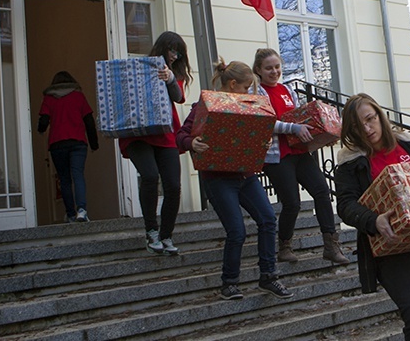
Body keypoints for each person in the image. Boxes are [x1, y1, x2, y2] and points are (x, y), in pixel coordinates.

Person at [334, 93, 410, 341]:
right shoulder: (350, 162)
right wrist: (373, 220)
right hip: (389, 249)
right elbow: (346, 205)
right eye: (358, 126)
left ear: (380, 115)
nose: (367, 129)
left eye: (370, 119)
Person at [176, 58, 293, 300]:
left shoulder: (250, 107)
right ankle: (229, 283)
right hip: (218, 178)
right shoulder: (206, 103)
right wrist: (192, 143)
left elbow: (256, 134)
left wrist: (264, 140)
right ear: (232, 84)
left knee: (268, 219)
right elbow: (181, 134)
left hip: (245, 175)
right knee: (237, 230)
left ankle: (268, 277)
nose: (250, 92)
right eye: (246, 87)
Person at [252, 48, 348, 264]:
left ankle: (331, 246)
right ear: (258, 69)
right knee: (292, 202)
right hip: (277, 156)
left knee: (322, 191)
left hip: (299, 151)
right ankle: (284, 246)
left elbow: (299, 118)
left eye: (277, 67)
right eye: (269, 68)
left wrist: (321, 135)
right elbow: (264, 123)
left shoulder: (287, 90)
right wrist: (293, 129)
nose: (274, 71)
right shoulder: (256, 91)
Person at [119, 31, 192, 256]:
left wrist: (170, 78)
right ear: (162, 48)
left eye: (178, 52)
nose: (175, 55)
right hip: (137, 134)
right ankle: (151, 231)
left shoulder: (174, 73)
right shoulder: (141, 67)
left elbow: (179, 97)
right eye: (172, 50)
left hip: (165, 134)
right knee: (149, 176)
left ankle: (166, 235)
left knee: (172, 185)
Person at [38, 71, 99, 223]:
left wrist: (40, 130)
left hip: (57, 144)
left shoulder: (49, 98)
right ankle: (82, 210)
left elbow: (44, 121)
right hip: (78, 142)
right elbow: (89, 121)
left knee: (64, 179)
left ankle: (70, 214)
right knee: (78, 174)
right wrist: (94, 144)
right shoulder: (78, 96)